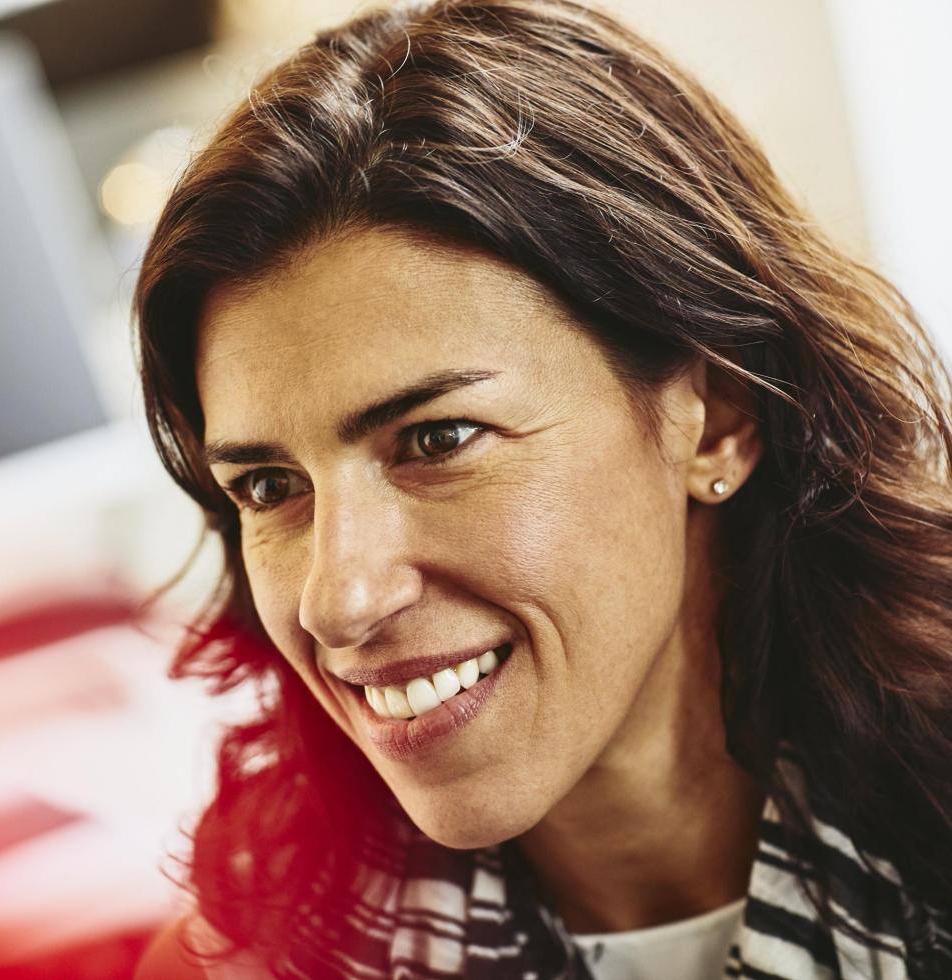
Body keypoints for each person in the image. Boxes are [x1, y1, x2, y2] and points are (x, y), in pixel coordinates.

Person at [131, 1, 952, 977]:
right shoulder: (243, 960)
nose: (339, 597)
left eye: (437, 438)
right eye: (269, 485)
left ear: (718, 413)